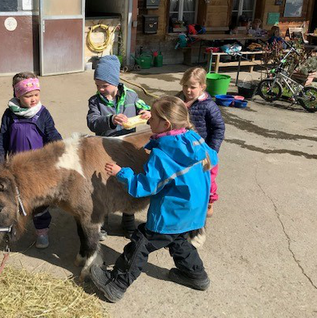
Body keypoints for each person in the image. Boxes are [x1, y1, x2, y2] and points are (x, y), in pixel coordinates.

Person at [89, 96, 218, 303]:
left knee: (142, 242)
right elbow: (213, 159)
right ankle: (196, 275)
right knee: (178, 241)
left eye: (152, 118)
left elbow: (144, 187)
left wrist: (122, 172)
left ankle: (117, 284)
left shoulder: (163, 154)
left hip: (171, 212)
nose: (148, 122)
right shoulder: (195, 138)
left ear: (166, 124)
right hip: (193, 210)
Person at [87, 55, 151, 239]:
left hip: (128, 150)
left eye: (104, 85)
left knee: (127, 181)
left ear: (115, 81)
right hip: (105, 150)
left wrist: (147, 113)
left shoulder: (132, 95)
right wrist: (110, 120)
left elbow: (144, 108)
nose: (100, 89)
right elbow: (92, 122)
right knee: (105, 183)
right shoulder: (95, 101)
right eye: (97, 85)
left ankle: (128, 219)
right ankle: (103, 221)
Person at [0, 72, 62, 249]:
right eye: (28, 96)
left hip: (38, 169)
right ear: (17, 95)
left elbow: (52, 135)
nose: (33, 99)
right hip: (15, 168)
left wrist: (61, 148)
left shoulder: (42, 114)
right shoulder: (9, 115)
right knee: (13, 200)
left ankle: (42, 232)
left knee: (39, 202)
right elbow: (2, 140)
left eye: (36, 94)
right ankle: (13, 228)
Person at [178, 67, 225, 217]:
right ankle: (189, 201)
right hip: (184, 149)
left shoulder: (208, 106)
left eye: (193, 87)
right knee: (187, 176)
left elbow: (219, 128)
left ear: (202, 87)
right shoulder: (178, 100)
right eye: (185, 86)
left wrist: (212, 150)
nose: (188, 90)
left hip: (204, 151)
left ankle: (209, 201)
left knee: (208, 177)